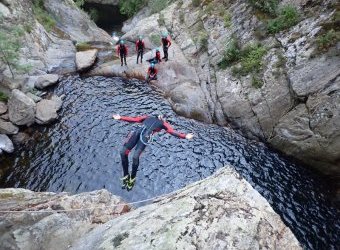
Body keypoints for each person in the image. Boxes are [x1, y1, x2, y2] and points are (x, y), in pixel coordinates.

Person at [112, 114, 194, 191]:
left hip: (145, 137)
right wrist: (120, 117)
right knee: (123, 152)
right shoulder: (147, 117)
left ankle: (132, 178)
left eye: (163, 117)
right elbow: (134, 119)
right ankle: (126, 176)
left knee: (135, 157)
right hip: (137, 133)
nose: (161, 117)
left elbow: (172, 131)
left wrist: (185, 136)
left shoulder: (164, 124)